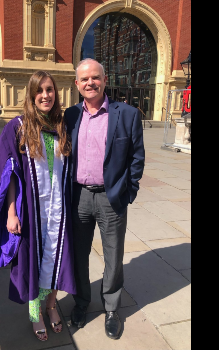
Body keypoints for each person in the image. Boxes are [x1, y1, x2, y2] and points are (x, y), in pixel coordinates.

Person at [0, 70, 76, 342]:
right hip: (31, 212)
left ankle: (51, 307)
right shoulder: (17, 127)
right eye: (40, 91)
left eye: (49, 90)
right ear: (31, 95)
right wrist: (11, 213)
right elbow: (8, 174)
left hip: (58, 210)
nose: (45, 95)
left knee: (56, 261)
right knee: (32, 263)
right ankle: (35, 314)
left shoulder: (61, 126)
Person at [64, 58, 145, 340]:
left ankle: (111, 308)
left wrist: (128, 191)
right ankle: (82, 303)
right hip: (79, 198)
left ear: (105, 80)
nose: (90, 83)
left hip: (112, 199)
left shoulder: (127, 114)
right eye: (84, 79)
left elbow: (137, 157)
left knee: (114, 256)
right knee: (78, 255)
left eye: (95, 77)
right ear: (77, 84)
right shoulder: (69, 116)